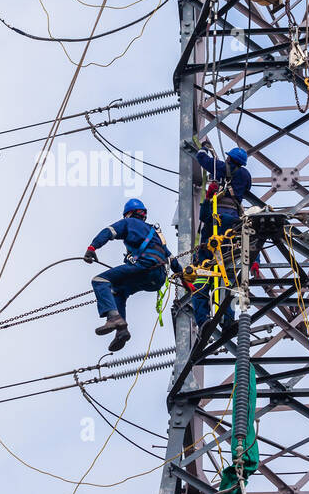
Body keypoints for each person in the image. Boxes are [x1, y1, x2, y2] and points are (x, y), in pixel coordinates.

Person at [84, 199, 184, 352]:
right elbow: (172, 260)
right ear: (143, 215)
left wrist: (92, 248)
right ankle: (121, 331)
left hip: (144, 267)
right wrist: (185, 280)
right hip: (158, 278)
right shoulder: (156, 234)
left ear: (129, 214)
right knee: (118, 290)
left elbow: (108, 232)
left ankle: (113, 318)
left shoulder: (128, 223)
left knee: (99, 280)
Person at [188, 142, 254, 331]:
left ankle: (203, 321)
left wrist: (204, 149)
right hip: (233, 223)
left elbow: (201, 158)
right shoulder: (245, 176)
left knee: (202, 272)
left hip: (216, 220)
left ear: (230, 158)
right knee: (230, 274)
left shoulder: (221, 167)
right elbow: (245, 190)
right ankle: (228, 319)